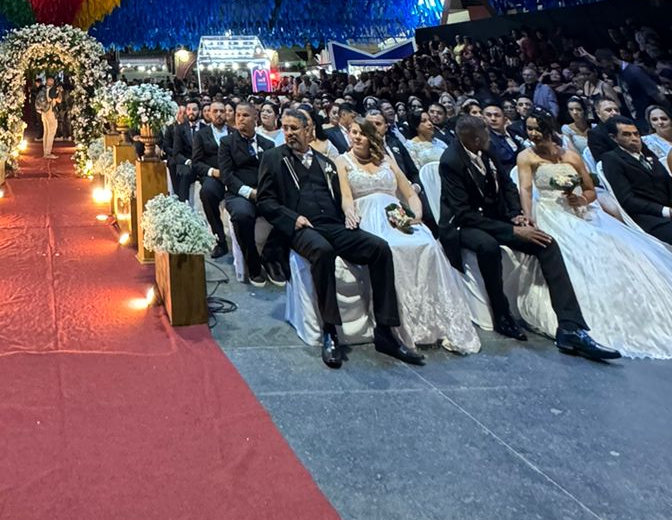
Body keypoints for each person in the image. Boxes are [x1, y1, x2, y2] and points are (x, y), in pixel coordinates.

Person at [256, 106, 424, 369]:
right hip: (301, 227)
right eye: (285, 128)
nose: (288, 133)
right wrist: (292, 219)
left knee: (379, 247)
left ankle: (386, 330)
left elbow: (343, 197)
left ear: (309, 130)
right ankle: (330, 330)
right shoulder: (273, 157)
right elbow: (265, 200)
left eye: (294, 128)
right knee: (322, 251)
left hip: (333, 223)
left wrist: (350, 215)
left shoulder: (326, 163)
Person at [437, 116, 618, 360]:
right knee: (487, 246)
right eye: (485, 134)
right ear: (473, 138)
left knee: (547, 243)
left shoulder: (487, 152)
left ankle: (570, 326)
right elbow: (463, 213)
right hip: (463, 224)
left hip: (495, 219)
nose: (490, 138)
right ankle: (501, 315)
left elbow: (508, 187)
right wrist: (511, 232)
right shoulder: (451, 161)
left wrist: (517, 216)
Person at [517, 113, 672, 359]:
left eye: (537, 129)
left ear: (548, 129)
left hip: (579, 210)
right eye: (529, 128)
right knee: (580, 253)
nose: (533, 134)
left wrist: (580, 199)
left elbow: (590, 191)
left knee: (617, 248)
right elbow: (525, 189)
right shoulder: (526, 157)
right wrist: (528, 216)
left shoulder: (570, 156)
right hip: (549, 211)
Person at [337, 119, 479, 355]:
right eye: (354, 132)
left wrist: (416, 215)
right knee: (391, 248)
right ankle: (400, 322)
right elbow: (345, 196)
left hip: (396, 213)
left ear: (372, 136)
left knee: (428, 244)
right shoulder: (343, 161)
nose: (357, 137)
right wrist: (350, 213)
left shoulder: (386, 160)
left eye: (363, 133)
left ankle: (434, 317)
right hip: (369, 216)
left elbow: (409, 193)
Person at [218, 104, 282, 285]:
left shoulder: (267, 145)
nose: (240, 119)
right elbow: (227, 175)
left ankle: (270, 258)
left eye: (245, 115)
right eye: (238, 115)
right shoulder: (227, 143)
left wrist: (265, 192)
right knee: (242, 215)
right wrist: (249, 192)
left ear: (256, 119)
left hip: (264, 192)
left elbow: (273, 173)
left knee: (288, 208)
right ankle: (253, 263)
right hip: (238, 192)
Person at [599, 119, 672, 248]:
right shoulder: (612, 159)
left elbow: (668, 183)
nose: (634, 138)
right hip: (650, 218)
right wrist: (666, 211)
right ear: (614, 138)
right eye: (627, 134)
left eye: (636, 134)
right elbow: (627, 200)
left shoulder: (648, 155)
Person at [191, 101, 231, 260]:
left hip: (233, 176)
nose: (219, 114)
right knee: (207, 193)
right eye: (215, 111)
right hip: (213, 176)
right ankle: (220, 240)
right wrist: (213, 172)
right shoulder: (202, 134)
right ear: (209, 114)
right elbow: (196, 163)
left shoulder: (235, 133)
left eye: (222, 111)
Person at [483, 104, 523, 172]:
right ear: (483, 118)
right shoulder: (486, 139)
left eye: (497, 115)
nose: (493, 119)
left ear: (505, 119)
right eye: (489, 115)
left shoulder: (514, 132)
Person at [587, 98, 624, 165]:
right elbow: (604, 160)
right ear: (598, 114)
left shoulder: (628, 126)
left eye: (617, 110)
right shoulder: (595, 134)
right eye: (609, 110)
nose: (614, 113)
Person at [37, 76, 62, 159]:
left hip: (43, 113)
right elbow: (59, 100)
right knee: (51, 132)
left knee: (46, 132)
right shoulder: (52, 90)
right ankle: (48, 153)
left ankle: (45, 151)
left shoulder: (43, 90)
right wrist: (60, 91)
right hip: (51, 112)